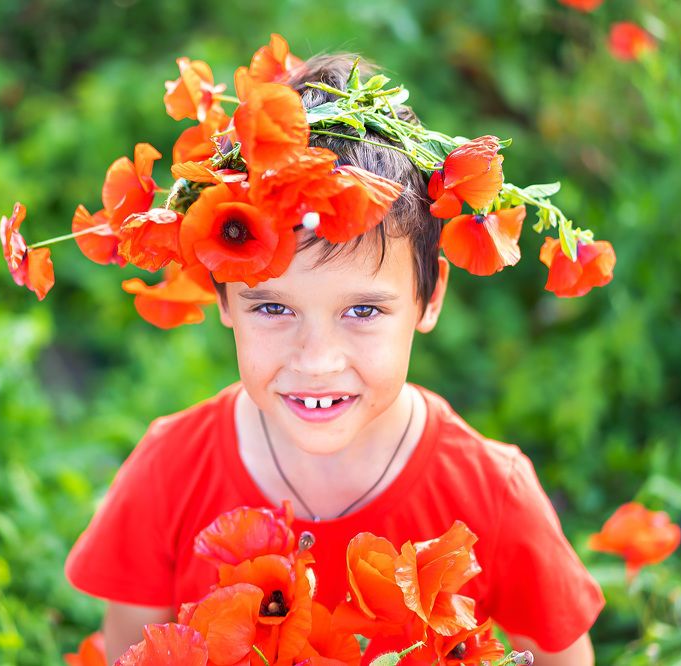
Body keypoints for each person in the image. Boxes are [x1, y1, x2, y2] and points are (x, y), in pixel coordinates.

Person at [64, 52, 605, 666]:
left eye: (363, 312)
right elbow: (128, 653)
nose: (317, 361)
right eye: (273, 309)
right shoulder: (170, 474)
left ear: (429, 298)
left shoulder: (491, 495)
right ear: (223, 295)